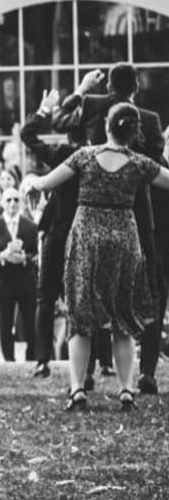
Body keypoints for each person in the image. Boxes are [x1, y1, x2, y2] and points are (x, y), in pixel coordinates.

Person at [24, 103, 169, 413]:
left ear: (107, 126)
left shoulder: (84, 156)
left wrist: (32, 187)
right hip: (123, 240)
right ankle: (126, 389)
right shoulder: (139, 163)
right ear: (134, 132)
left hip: (86, 239)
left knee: (81, 317)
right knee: (122, 317)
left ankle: (77, 388)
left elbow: (45, 181)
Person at [54, 64, 167, 396]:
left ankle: (85, 372)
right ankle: (144, 371)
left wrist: (81, 89)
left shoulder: (91, 106)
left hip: (87, 210)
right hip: (135, 209)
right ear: (136, 88)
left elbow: (59, 122)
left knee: (87, 287)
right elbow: (158, 162)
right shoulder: (148, 118)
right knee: (145, 287)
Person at [20, 89, 84, 379]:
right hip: (83, 231)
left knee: (45, 297)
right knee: (85, 298)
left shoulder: (62, 154)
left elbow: (28, 134)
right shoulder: (100, 157)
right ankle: (99, 361)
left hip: (59, 231)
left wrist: (45, 109)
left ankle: (43, 359)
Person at [0, 187, 38, 364]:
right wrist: (1, 256)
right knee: (5, 325)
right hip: (3, 282)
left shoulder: (30, 226)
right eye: (8, 200)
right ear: (1, 203)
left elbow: (37, 254)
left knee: (30, 323)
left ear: (20, 203)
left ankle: (31, 359)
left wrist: (25, 259)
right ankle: (9, 360)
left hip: (26, 282)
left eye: (16, 199)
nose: (12, 203)